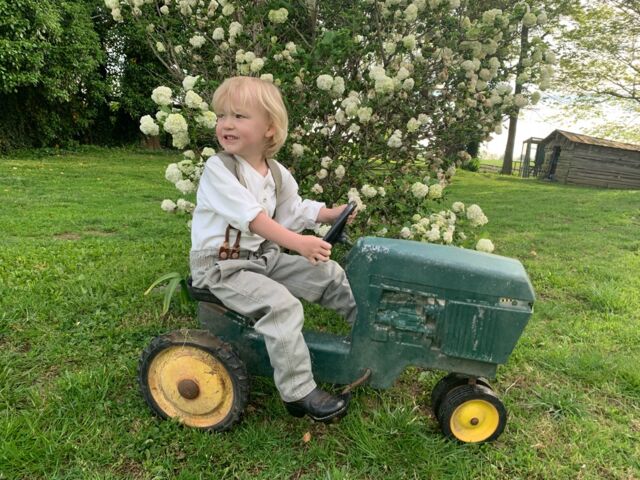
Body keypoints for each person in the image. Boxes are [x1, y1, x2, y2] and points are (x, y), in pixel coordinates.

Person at [189, 76, 357, 423]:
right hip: (221, 267)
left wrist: (328, 214)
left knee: (328, 273)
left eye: (239, 116)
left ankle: (367, 330)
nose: (226, 124)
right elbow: (254, 219)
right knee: (281, 306)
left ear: (270, 128)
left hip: (261, 260)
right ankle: (298, 391)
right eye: (221, 116)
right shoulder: (220, 169)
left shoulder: (276, 174)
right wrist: (299, 243)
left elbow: (293, 209)